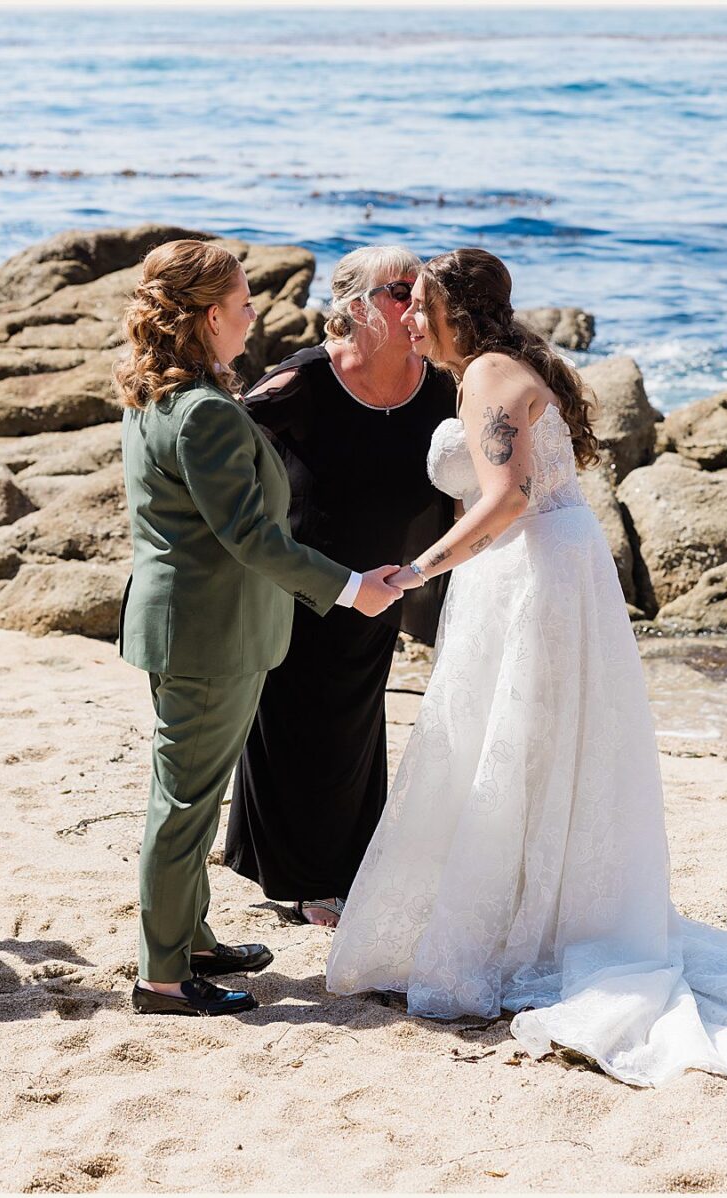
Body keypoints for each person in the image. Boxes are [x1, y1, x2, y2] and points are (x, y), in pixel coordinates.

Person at [326, 248, 727, 1086]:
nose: (408, 319)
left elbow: (509, 499)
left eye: (419, 305)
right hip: (534, 569)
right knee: (518, 748)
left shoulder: (490, 374)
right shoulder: (495, 365)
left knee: (511, 750)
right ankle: (534, 914)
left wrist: (417, 571)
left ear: (455, 310)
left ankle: (523, 933)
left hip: (534, 575)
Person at [114, 238, 404, 1018]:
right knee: (183, 806)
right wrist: (349, 589)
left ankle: (189, 938)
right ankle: (164, 978)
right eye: (243, 306)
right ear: (210, 316)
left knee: (188, 796)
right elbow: (250, 536)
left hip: (188, 624)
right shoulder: (204, 412)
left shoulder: (159, 393)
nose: (253, 317)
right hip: (209, 634)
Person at [224, 246, 456, 927]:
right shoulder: (305, 380)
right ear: (357, 307)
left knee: (355, 723)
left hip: (384, 585)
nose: (414, 303)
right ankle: (302, 880)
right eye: (399, 291)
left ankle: (340, 869)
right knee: (295, 719)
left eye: (422, 290)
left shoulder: (439, 382)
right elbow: (221, 444)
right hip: (305, 579)